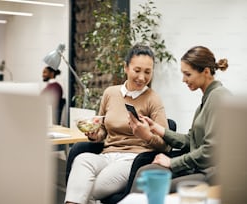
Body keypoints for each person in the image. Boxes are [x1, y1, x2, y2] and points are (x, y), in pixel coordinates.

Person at [65, 44, 171, 204]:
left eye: (147, 72)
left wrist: (146, 135)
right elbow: (102, 130)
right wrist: (95, 134)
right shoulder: (110, 93)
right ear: (126, 68)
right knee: (82, 159)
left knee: (85, 189)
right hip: (107, 155)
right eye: (137, 70)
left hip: (132, 159)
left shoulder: (153, 99)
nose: (142, 77)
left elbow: (166, 145)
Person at [128, 45, 232, 193]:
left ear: (206, 72)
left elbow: (211, 151)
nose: (183, 80)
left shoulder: (218, 97)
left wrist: (172, 162)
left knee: (151, 184)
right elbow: (191, 141)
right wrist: (158, 129)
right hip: (198, 167)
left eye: (188, 74)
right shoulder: (207, 100)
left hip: (211, 173)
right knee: (145, 173)